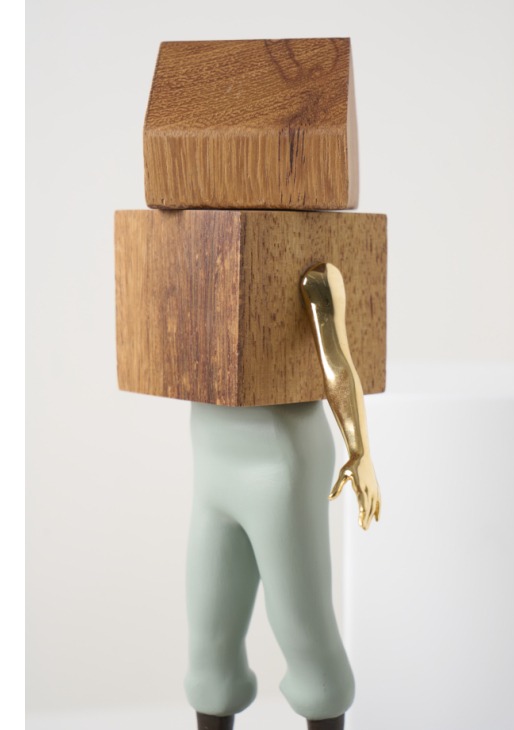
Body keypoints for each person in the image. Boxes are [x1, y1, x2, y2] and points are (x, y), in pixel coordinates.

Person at [185, 263, 381, 730]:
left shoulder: (309, 269)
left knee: (303, 629)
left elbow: (336, 359)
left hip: (279, 462)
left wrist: (360, 451)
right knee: (209, 638)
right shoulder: (199, 250)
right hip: (213, 462)